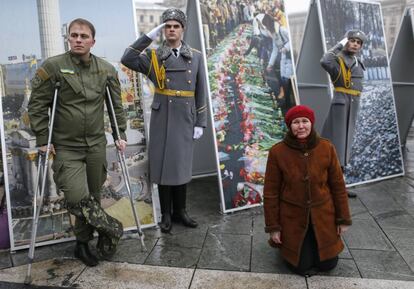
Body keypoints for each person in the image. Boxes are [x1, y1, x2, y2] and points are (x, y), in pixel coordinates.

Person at [28, 18, 126, 266]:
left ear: (93, 40)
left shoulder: (106, 70)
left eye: (84, 36)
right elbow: (37, 105)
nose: (79, 40)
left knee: (93, 196)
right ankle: (111, 227)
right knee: (77, 197)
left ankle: (82, 244)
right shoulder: (53, 67)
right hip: (66, 147)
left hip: (95, 146)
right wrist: (42, 137)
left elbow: (116, 106)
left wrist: (120, 134)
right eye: (74, 35)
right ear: (68, 39)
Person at [121, 8, 207, 233]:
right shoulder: (155, 56)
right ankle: (166, 214)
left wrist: (201, 122)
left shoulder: (195, 56)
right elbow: (127, 58)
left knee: (180, 165)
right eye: (167, 26)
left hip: (185, 116)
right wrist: (148, 37)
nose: (171, 30)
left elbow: (201, 91)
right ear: (163, 30)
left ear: (182, 29)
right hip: (163, 117)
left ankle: (181, 211)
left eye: (175, 26)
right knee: (163, 166)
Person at [263, 105, 352, 276]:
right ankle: (290, 246)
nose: (301, 126)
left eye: (305, 121)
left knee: (328, 264)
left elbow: (338, 187)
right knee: (300, 266)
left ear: (312, 123)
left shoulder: (327, 148)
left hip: (323, 215)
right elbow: (271, 193)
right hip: (292, 217)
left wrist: (343, 219)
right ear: (290, 126)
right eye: (296, 122)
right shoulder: (278, 152)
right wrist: (274, 227)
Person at [320, 30, 366, 198]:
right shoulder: (337, 60)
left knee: (346, 146)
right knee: (337, 146)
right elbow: (324, 60)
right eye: (351, 40)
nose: (354, 44)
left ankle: (339, 185)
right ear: (346, 42)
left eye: (358, 42)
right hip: (340, 106)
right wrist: (339, 44)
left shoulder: (358, 62)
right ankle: (331, 186)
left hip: (352, 106)